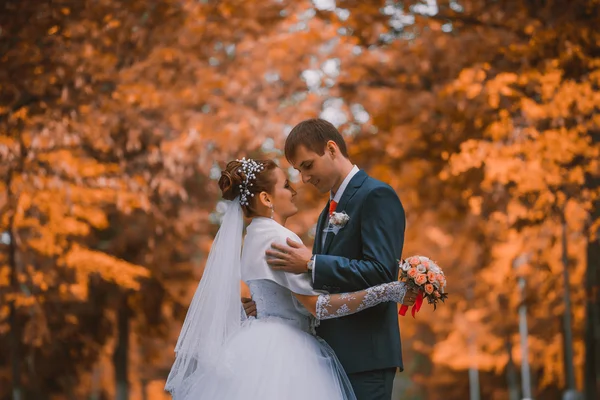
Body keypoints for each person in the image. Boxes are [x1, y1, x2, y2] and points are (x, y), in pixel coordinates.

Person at [165, 157, 417, 400]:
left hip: (259, 343)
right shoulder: (281, 240)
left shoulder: (252, 236)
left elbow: (275, 297)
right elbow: (318, 307)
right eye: (286, 185)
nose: (294, 189)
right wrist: (389, 291)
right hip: (288, 351)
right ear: (266, 198)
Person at [261, 118, 408, 400]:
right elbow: (326, 286)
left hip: (366, 357)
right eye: (298, 170)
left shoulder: (376, 195)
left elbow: (381, 271)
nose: (303, 178)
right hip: (331, 355)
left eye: (307, 165)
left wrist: (312, 263)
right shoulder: (327, 210)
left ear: (331, 149)